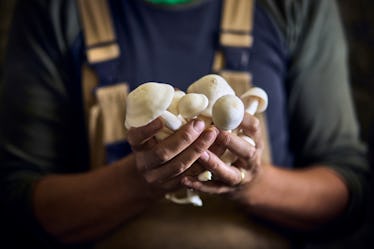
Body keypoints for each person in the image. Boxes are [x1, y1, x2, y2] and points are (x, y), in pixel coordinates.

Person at [0, 0, 369, 248]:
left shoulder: (295, 6)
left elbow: (350, 189)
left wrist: (254, 185)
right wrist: (137, 182)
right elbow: (18, 201)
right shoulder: (55, 9)